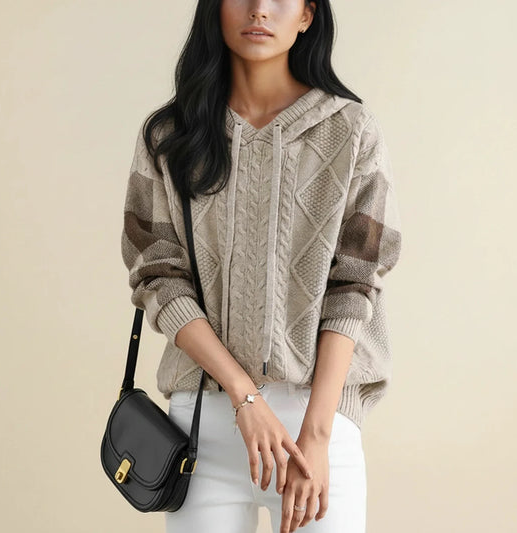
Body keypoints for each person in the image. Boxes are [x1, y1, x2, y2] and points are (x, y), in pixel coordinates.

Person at [121, 1, 402, 532]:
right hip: (202, 427)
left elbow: (356, 283)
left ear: (307, 15)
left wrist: (318, 436)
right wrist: (243, 396)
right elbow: (157, 273)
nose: (258, 10)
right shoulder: (169, 135)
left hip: (316, 423)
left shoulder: (353, 131)